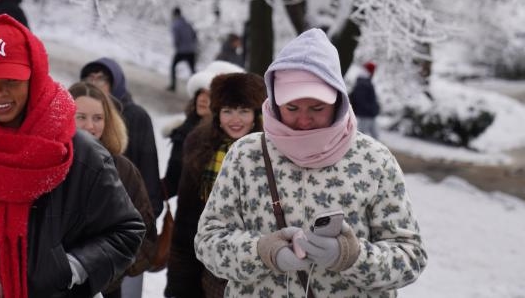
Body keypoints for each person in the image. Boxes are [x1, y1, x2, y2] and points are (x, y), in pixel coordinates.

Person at [0, 15, 144, 298]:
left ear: (34, 77)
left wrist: (71, 268)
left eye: (12, 79)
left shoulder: (83, 156)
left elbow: (126, 231)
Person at [195, 28, 427, 297]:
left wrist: (351, 256)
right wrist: (262, 251)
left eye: (317, 108)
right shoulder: (246, 155)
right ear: (274, 102)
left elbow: (411, 257)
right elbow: (208, 243)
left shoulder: (374, 160)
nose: (304, 120)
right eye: (292, 108)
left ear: (338, 100)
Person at [166, 71, 266, 298]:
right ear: (217, 113)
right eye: (228, 111)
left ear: (255, 114)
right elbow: (186, 218)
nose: (236, 119)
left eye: (243, 111)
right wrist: (180, 279)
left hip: (252, 258)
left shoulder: (267, 152)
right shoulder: (199, 147)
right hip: (205, 257)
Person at [69, 81, 158, 298]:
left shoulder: (124, 170)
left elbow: (143, 234)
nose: (90, 126)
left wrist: (109, 272)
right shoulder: (48, 163)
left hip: (107, 289)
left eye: (98, 118)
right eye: (81, 117)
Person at [80, 58, 164, 218]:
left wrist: (148, 213)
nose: (95, 83)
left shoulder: (135, 116)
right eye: (90, 77)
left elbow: (148, 167)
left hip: (127, 209)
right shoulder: (76, 112)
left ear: (115, 82)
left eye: (101, 78)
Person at [163, 60, 243, 197]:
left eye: (210, 94)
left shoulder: (238, 143)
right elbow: (172, 182)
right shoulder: (185, 132)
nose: (203, 99)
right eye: (200, 93)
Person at [348, 61, 381, 140]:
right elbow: (361, 100)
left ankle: (378, 151)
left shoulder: (365, 81)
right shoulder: (364, 83)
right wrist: (371, 109)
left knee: (375, 136)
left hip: (370, 114)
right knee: (359, 135)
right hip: (365, 114)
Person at [169, 7, 198, 91]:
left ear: (174, 14)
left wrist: (177, 46)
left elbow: (176, 38)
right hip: (191, 50)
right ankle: (198, 88)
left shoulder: (175, 25)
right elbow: (194, 35)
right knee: (193, 70)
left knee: (173, 67)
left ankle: (173, 86)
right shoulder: (188, 23)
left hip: (181, 51)